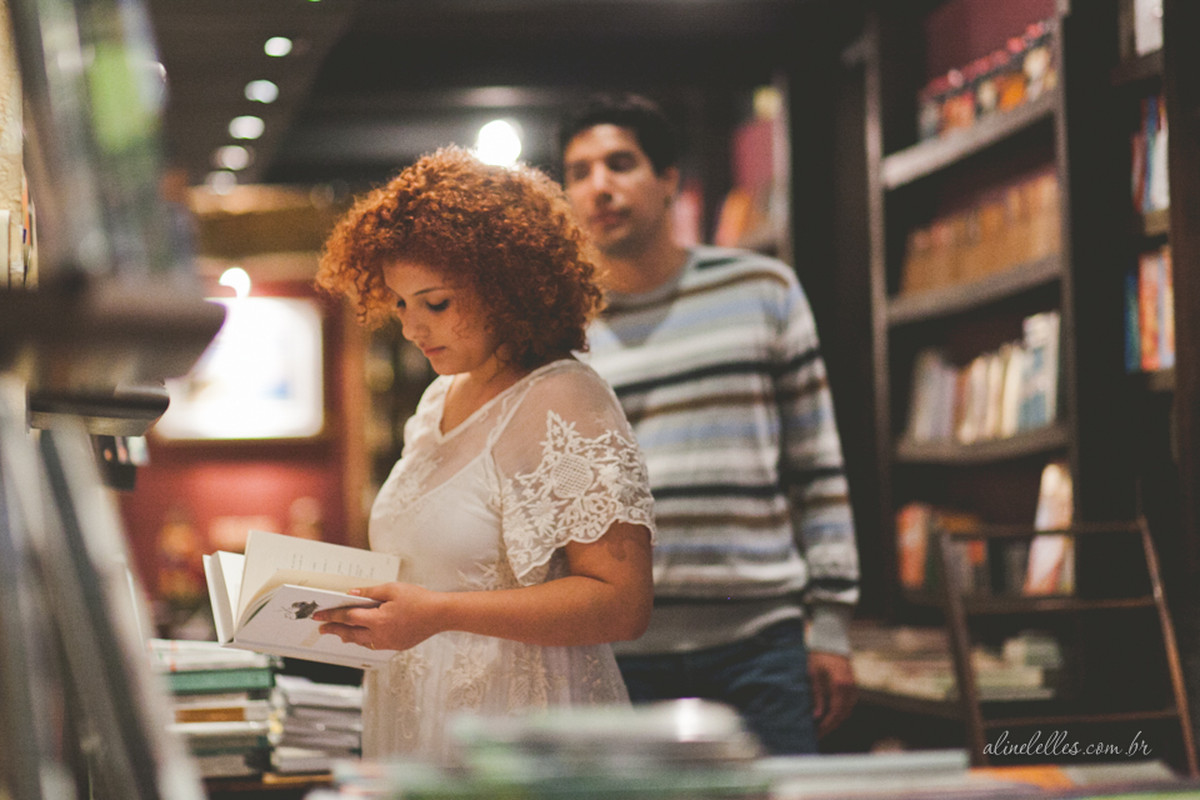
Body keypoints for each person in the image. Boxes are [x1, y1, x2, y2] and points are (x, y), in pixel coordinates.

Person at [311, 145, 656, 765]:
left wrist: (438, 614)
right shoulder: (438, 398)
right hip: (421, 715)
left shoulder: (563, 398)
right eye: (399, 302)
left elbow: (622, 601)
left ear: (508, 286)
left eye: (435, 302)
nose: (413, 328)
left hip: (519, 736)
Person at [558, 93, 860, 755]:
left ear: (668, 180)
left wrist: (831, 626)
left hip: (760, 645)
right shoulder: (558, 331)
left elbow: (818, 466)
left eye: (619, 163)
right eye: (579, 172)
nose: (598, 186)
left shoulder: (762, 289)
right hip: (616, 649)